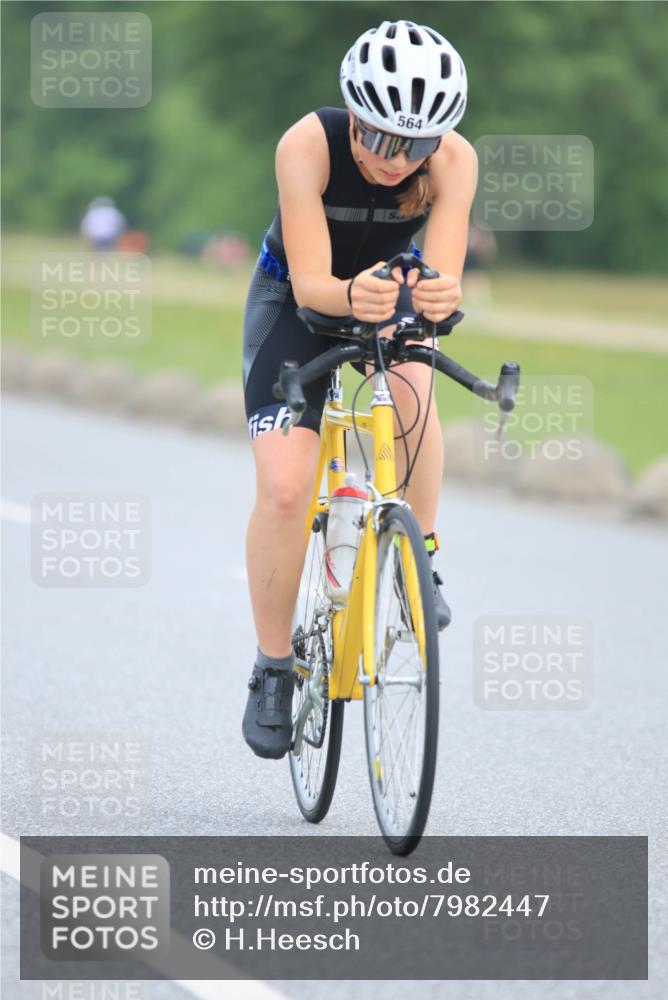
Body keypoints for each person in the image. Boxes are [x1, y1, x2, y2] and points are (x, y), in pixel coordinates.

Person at [241, 19, 478, 759]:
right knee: (286, 488)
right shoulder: (305, 143)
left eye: (413, 146)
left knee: (412, 382)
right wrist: (360, 294)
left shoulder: (454, 161)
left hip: (386, 292)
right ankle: (274, 666)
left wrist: (428, 303)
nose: (390, 158)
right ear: (354, 112)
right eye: (376, 135)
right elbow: (314, 284)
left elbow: (440, 282)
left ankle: (418, 558)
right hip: (297, 301)